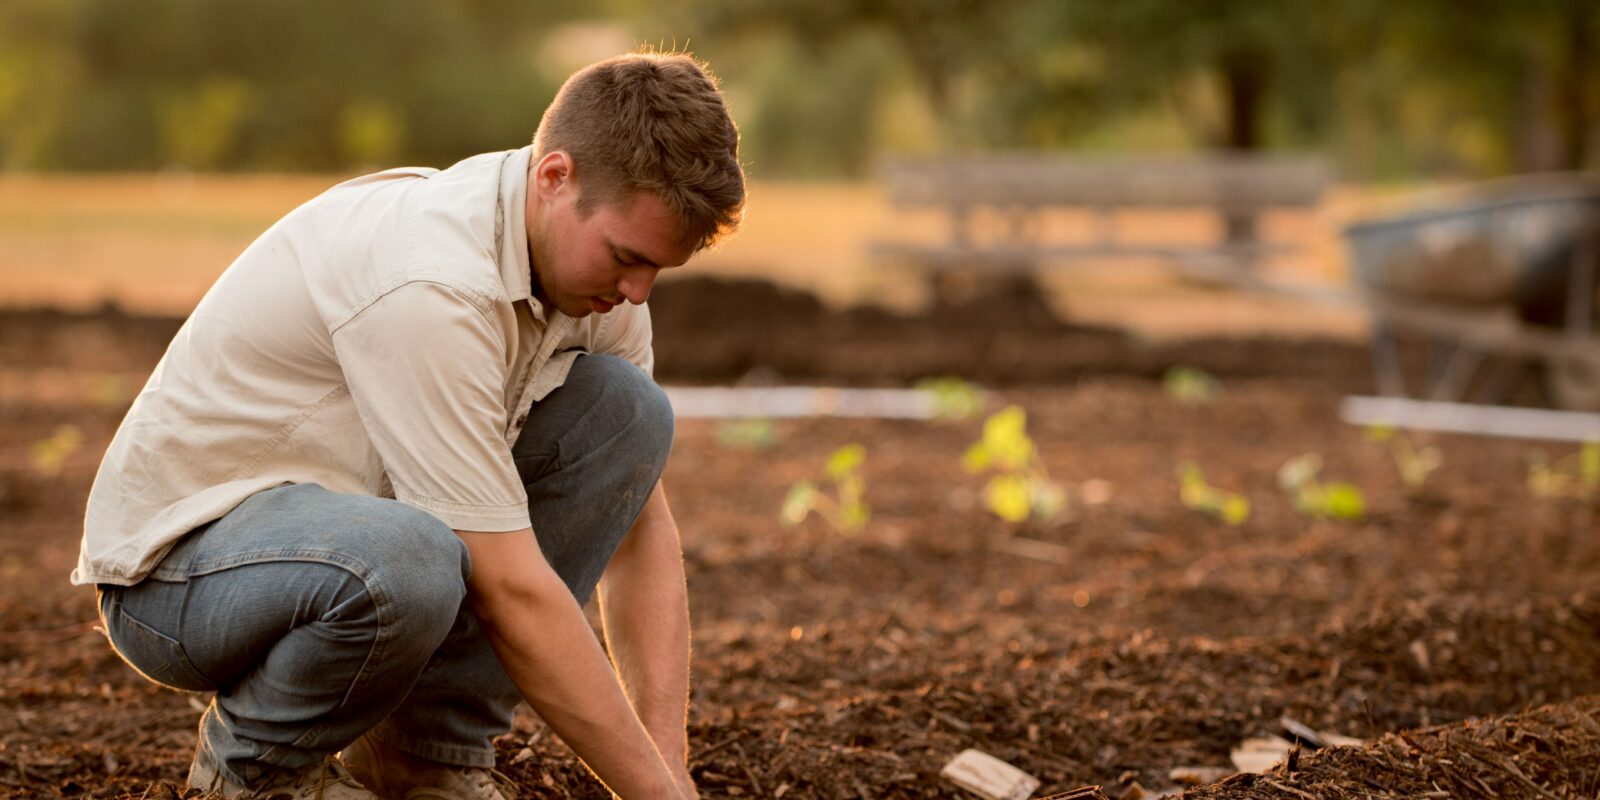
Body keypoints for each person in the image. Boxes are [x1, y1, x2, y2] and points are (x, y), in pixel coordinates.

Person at [72, 50, 744, 800]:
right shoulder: (432, 284)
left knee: (627, 413)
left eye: (656, 269)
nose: (636, 291)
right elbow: (512, 589)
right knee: (413, 559)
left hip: (342, 540)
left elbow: (639, 527)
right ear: (555, 177)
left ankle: (425, 758)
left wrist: (670, 770)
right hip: (180, 575)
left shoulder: (595, 286)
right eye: (626, 257)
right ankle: (252, 774)